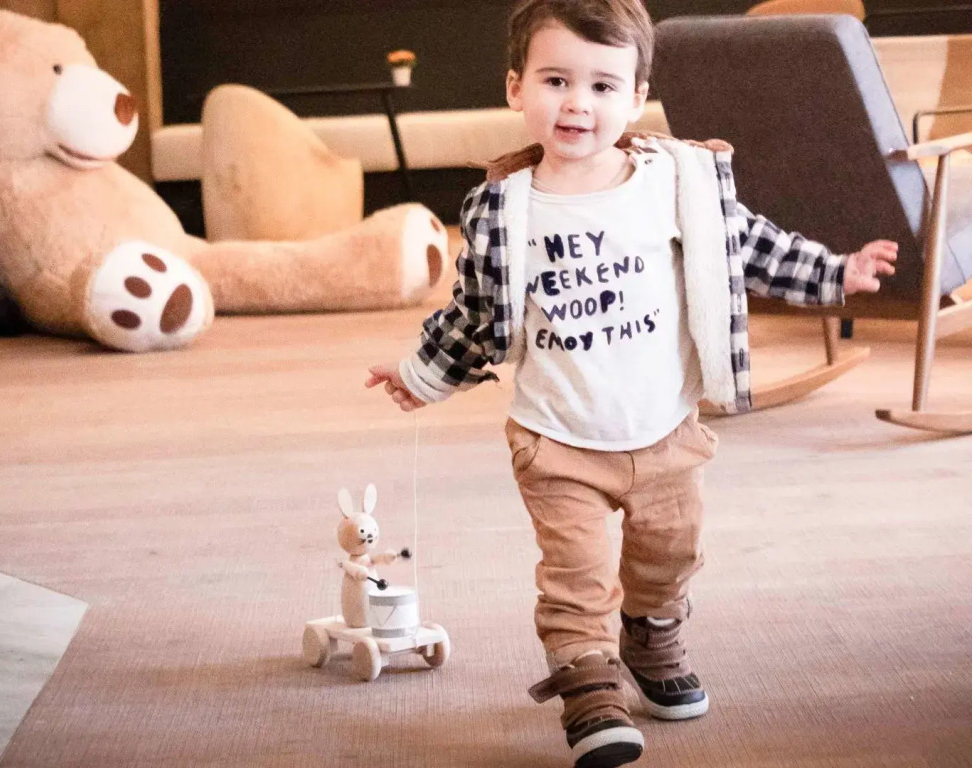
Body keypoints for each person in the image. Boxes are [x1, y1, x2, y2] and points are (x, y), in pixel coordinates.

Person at [366, 1, 897, 766]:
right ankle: (589, 689)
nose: (578, 103)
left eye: (603, 85)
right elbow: (473, 313)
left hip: (666, 431)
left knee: (667, 558)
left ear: (638, 94)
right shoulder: (502, 209)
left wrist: (834, 273)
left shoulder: (673, 181)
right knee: (576, 577)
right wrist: (421, 374)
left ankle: (651, 636)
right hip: (557, 440)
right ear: (515, 87)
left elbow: (748, 245)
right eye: (556, 80)